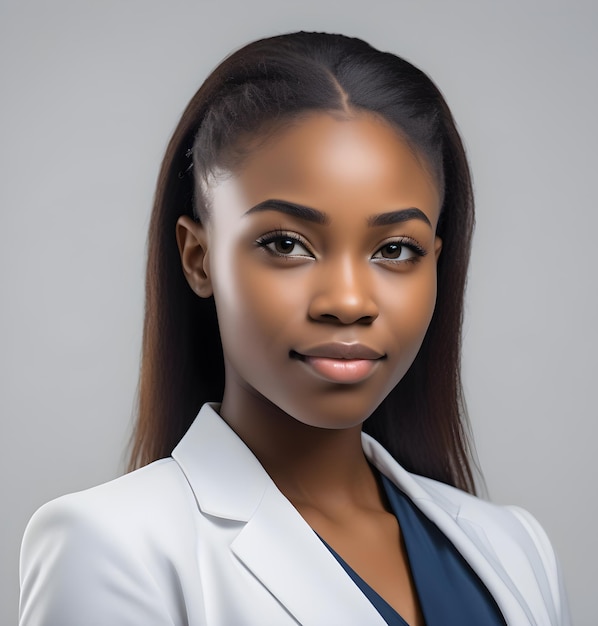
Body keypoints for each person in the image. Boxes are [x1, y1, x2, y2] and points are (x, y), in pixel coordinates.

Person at [19, 32, 570, 625]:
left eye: (394, 249)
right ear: (198, 258)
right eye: (286, 244)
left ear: (437, 260)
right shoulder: (110, 547)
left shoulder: (515, 547)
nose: (349, 301)